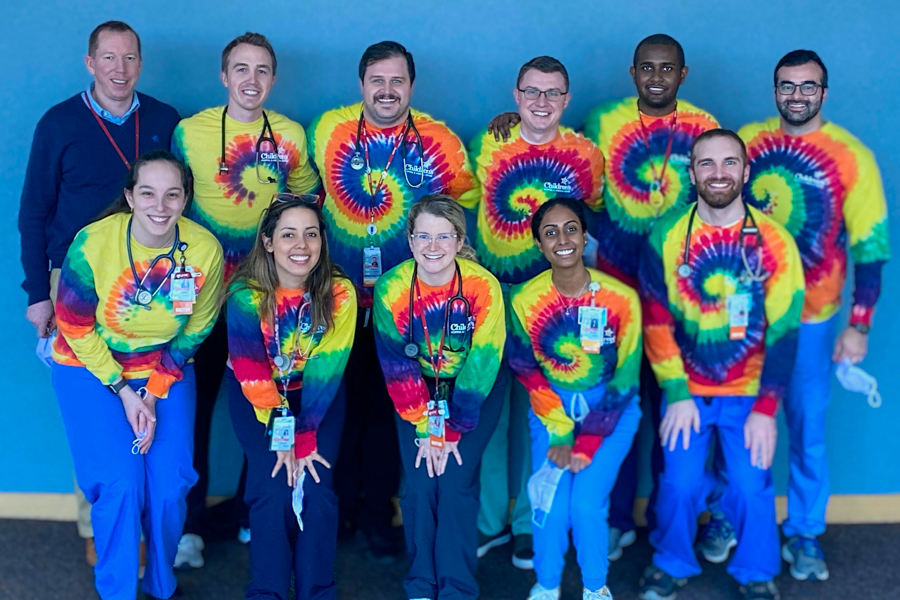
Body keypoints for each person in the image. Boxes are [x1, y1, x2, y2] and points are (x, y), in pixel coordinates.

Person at [487, 35, 719, 559]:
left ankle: (670, 525)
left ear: (683, 75)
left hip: (683, 293)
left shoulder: (704, 125)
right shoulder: (604, 122)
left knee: (670, 409)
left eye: (668, 68)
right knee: (607, 401)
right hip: (609, 287)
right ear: (633, 72)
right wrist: (515, 119)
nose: (657, 77)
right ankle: (613, 520)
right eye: (647, 68)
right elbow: (553, 140)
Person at [17, 20, 181, 566]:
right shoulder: (59, 123)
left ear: (141, 63)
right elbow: (33, 213)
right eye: (108, 59)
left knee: (154, 396)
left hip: (154, 280)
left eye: (130, 58)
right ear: (90, 63)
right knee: (93, 405)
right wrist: (38, 292)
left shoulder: (162, 119)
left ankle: (145, 531)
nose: (120, 69)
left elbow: (184, 203)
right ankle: (99, 525)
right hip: (79, 284)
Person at [308, 41, 477, 561]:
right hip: (335, 298)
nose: (387, 90)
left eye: (397, 81)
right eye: (377, 81)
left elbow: (462, 209)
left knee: (386, 413)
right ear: (361, 85)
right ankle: (335, 513)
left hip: (406, 307)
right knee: (336, 407)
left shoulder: (441, 140)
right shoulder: (327, 129)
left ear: (411, 85)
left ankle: (380, 517)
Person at [738, 49, 891, 581]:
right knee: (734, 425)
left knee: (806, 427)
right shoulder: (747, 143)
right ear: (774, 89)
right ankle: (726, 520)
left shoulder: (852, 156)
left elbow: (871, 248)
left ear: (824, 93)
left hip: (813, 319)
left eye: (808, 86)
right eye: (786, 85)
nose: (796, 95)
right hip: (743, 318)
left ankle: (803, 533)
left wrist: (860, 323)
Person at [171, 31, 321, 566]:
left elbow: (306, 200)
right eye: (241, 69)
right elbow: (170, 206)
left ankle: (250, 512)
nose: (251, 80)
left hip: (265, 301)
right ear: (224, 75)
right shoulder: (190, 132)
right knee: (194, 411)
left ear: (273, 79)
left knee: (266, 405)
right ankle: (189, 526)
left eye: (261, 71)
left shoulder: (289, 134)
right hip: (205, 301)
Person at [637, 130, 804, 600]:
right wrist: (675, 393)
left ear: (746, 171)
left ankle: (755, 571)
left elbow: (784, 332)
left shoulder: (774, 242)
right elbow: (655, 321)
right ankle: (671, 561)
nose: (718, 173)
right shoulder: (666, 237)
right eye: (706, 164)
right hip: (686, 388)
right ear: (692, 173)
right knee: (680, 482)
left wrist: (767, 409)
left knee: (752, 485)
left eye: (730, 163)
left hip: (750, 391)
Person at [51, 150, 224, 600]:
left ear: (186, 199)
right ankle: (118, 591)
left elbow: (199, 326)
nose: (160, 206)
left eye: (172, 194)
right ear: (129, 196)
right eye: (147, 193)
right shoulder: (92, 243)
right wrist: (126, 391)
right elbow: (73, 325)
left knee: (170, 485)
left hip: (163, 367)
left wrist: (154, 389)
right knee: (120, 484)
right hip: (89, 367)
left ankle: (161, 585)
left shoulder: (204, 249)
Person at [470, 56, 605, 569]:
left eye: (553, 93)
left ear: (567, 100)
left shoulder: (585, 155)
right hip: (492, 297)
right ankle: (489, 523)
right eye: (532, 92)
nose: (542, 102)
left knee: (538, 414)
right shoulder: (492, 140)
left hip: (552, 302)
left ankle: (531, 522)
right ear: (516, 94)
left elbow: (590, 221)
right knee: (487, 412)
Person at [507, 198, 642, 600]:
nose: (562, 239)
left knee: (585, 505)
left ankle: (595, 588)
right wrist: (562, 433)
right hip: (551, 413)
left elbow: (627, 379)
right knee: (549, 503)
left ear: (585, 237)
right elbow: (525, 369)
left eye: (571, 229)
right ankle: (547, 585)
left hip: (611, 415)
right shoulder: (524, 300)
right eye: (550, 232)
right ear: (539, 244)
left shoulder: (620, 299)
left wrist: (586, 441)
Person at [373, 194, 505, 599]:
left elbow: (483, 362)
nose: (433, 247)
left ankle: (456, 589)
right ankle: (420, 584)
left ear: (459, 240)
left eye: (444, 236)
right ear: (410, 242)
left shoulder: (483, 286)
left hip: (472, 391)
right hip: (416, 391)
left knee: (453, 484)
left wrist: (452, 430)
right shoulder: (391, 288)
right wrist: (424, 426)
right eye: (423, 237)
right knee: (419, 483)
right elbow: (397, 367)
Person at [225, 194, 357, 599]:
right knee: (273, 487)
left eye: (311, 234)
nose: (301, 245)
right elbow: (251, 370)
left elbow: (326, 370)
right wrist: (284, 436)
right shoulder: (245, 295)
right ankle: (268, 593)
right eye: (288, 235)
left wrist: (304, 437)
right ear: (268, 242)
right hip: (257, 397)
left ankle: (318, 592)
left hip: (318, 396)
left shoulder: (340, 293)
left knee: (316, 488)